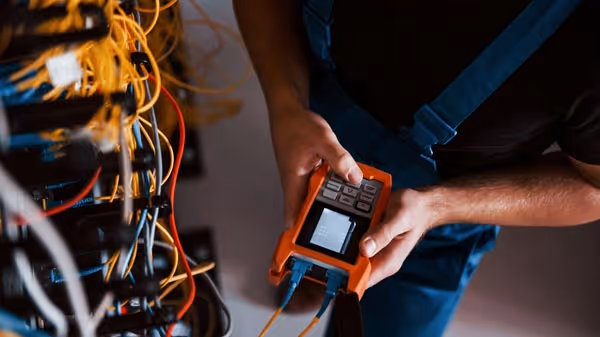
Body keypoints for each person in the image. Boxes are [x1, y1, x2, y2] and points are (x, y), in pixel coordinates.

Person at [233, 0, 600, 336]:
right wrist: (286, 103)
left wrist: (438, 207)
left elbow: (593, 188)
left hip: (436, 222)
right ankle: (315, 274)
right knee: (315, 230)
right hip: (322, 113)